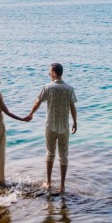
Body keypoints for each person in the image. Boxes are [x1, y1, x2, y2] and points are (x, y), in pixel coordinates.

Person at [25, 62, 77, 194]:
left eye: (50, 72)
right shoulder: (69, 88)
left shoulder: (47, 87)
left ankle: (48, 183)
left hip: (50, 126)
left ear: (54, 73)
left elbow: (37, 102)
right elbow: (72, 106)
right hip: (64, 126)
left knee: (50, 154)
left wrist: (31, 114)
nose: (49, 74)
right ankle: (62, 186)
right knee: (63, 156)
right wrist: (75, 122)